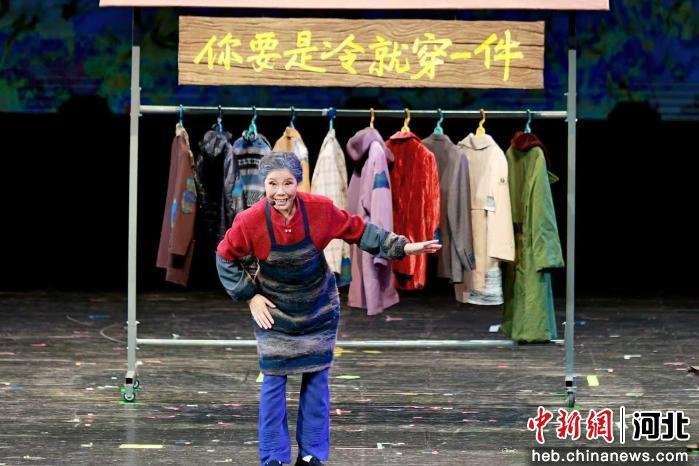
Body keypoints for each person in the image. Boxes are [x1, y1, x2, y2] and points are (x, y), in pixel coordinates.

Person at [216, 152, 441, 466]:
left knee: (316, 379)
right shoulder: (250, 220)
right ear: (263, 185)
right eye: (272, 184)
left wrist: (402, 246)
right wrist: (249, 295)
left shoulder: (319, 210)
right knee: (273, 380)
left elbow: (360, 231)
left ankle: (312, 454)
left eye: (288, 183)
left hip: (317, 308)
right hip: (275, 310)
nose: (280, 192)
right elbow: (224, 256)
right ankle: (274, 457)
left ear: (299, 183)